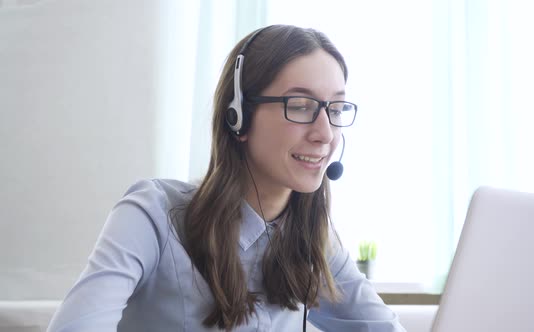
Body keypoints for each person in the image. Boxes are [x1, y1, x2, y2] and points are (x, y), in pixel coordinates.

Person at [47, 24, 406, 332]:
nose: (325, 133)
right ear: (238, 117)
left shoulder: (314, 241)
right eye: (300, 106)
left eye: (336, 108)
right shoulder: (152, 214)